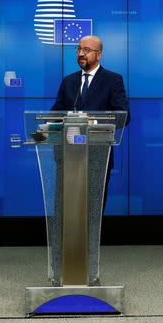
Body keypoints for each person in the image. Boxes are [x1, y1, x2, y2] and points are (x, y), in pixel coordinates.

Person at [51, 35, 130, 210]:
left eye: (86, 50)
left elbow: (124, 115)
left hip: (97, 156)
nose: (81, 53)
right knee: (66, 207)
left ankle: (92, 239)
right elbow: (56, 113)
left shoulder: (113, 80)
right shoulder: (68, 81)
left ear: (99, 55)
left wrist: (92, 121)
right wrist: (49, 124)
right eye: (78, 49)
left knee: (92, 208)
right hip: (68, 155)